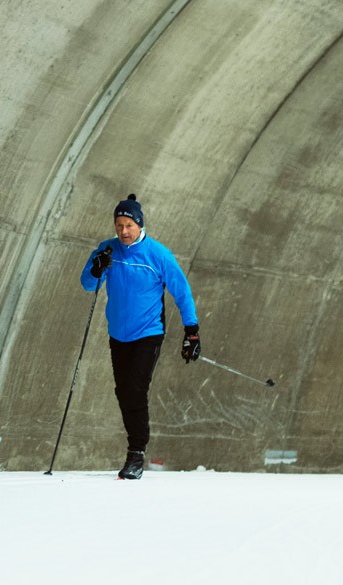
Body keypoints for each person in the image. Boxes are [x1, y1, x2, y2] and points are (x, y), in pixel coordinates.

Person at [80, 194, 200, 480]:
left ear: (139, 225)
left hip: (148, 333)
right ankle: (136, 448)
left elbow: (182, 292)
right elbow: (87, 284)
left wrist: (191, 331)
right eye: (118, 225)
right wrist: (97, 268)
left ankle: (136, 453)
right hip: (118, 334)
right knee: (123, 391)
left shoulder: (158, 255)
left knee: (134, 388)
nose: (122, 231)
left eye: (128, 225)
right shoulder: (107, 249)